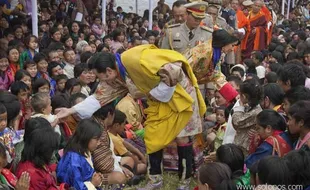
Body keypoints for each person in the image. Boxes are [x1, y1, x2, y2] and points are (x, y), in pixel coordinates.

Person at [57, 119, 104, 189]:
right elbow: (74, 187)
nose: (99, 142)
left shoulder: (85, 151)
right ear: (86, 138)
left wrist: (96, 177)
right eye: (97, 139)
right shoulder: (74, 160)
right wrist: (93, 183)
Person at [108, 110, 147, 175]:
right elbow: (128, 154)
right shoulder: (114, 139)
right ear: (116, 125)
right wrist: (141, 163)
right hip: (117, 163)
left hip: (121, 159)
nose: (124, 127)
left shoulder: (113, 133)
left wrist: (141, 156)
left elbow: (128, 145)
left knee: (137, 157)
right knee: (143, 167)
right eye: (124, 124)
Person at [232, 78, 263, 155]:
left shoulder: (255, 112)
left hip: (245, 148)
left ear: (244, 96)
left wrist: (240, 105)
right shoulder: (251, 107)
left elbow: (237, 122)